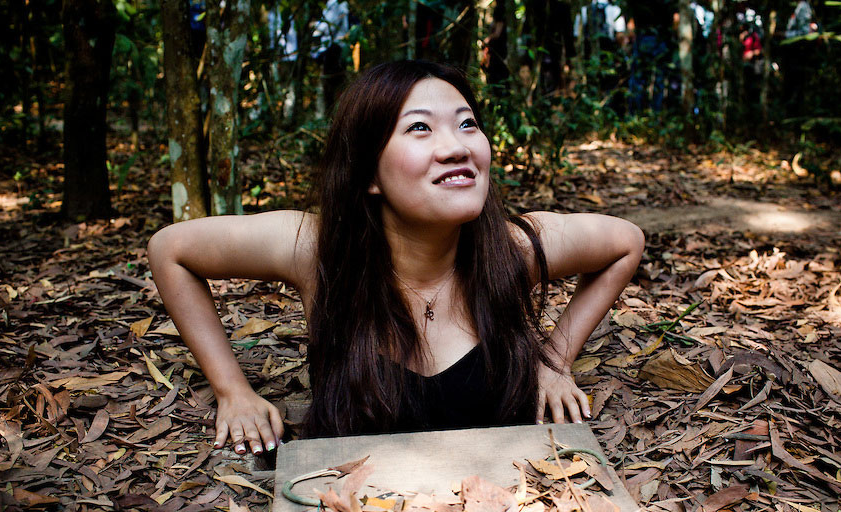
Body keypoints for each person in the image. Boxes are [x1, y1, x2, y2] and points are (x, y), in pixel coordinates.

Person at [148, 60, 644, 456]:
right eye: (420, 128)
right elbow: (171, 250)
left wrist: (553, 361)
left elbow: (626, 241)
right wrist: (233, 391)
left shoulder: (511, 249)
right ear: (370, 173)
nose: (456, 147)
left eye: (467, 124)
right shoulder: (318, 249)